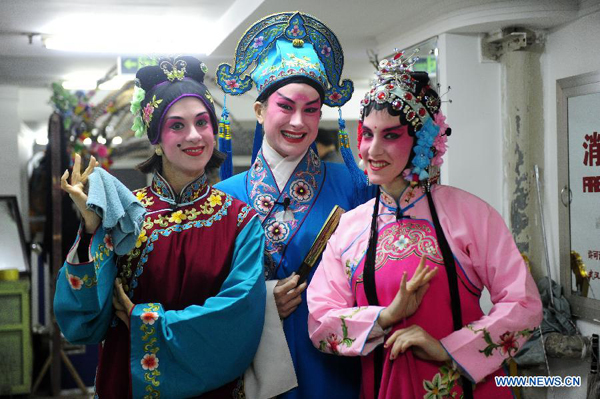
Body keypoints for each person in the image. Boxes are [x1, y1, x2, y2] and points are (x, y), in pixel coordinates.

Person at [307, 50, 543, 399]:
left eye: (390, 135)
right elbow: (320, 321)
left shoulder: (469, 215)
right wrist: (385, 317)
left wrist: (450, 349)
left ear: (421, 141)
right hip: (385, 387)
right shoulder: (350, 228)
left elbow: (523, 304)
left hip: (468, 387)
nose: (372, 149)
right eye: (368, 134)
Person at [54, 56, 266, 398]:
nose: (194, 135)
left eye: (202, 122)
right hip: (125, 382)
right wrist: (92, 230)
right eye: (177, 126)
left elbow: (237, 315)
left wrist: (146, 320)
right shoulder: (125, 212)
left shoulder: (240, 222)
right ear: (156, 140)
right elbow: (82, 322)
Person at [215, 11, 374, 399]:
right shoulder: (226, 196)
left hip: (332, 365)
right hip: (254, 361)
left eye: (312, 109)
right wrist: (263, 298)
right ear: (259, 110)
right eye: (285, 107)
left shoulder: (354, 187)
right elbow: (211, 292)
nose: (299, 122)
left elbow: (370, 277)